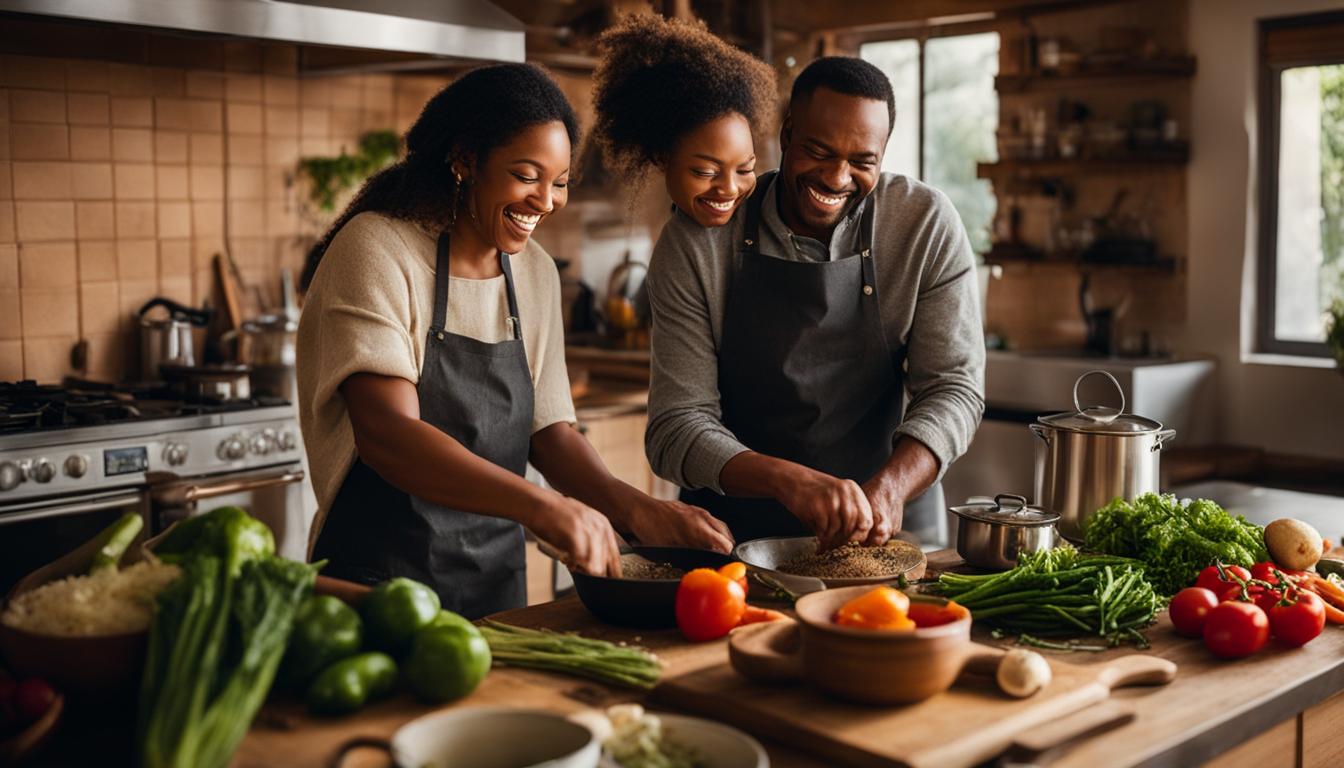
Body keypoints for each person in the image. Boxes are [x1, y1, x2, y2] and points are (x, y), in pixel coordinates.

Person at [297, 64, 732, 619]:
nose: (546, 201)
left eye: (560, 182)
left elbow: (550, 433)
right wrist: (543, 506)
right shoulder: (379, 250)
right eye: (527, 175)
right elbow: (389, 434)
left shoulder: (535, 272)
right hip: (375, 591)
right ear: (464, 160)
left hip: (495, 593)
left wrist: (636, 509)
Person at [644, 56, 985, 550]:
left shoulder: (923, 224)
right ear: (786, 134)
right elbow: (676, 427)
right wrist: (790, 482)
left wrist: (891, 488)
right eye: (818, 151)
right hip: (735, 540)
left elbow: (954, 387)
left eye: (862, 162)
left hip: (884, 529)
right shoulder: (698, 241)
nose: (837, 177)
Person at [589, 13, 777, 228]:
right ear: (661, 158)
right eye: (706, 172)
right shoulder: (670, 223)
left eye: (744, 170)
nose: (730, 189)